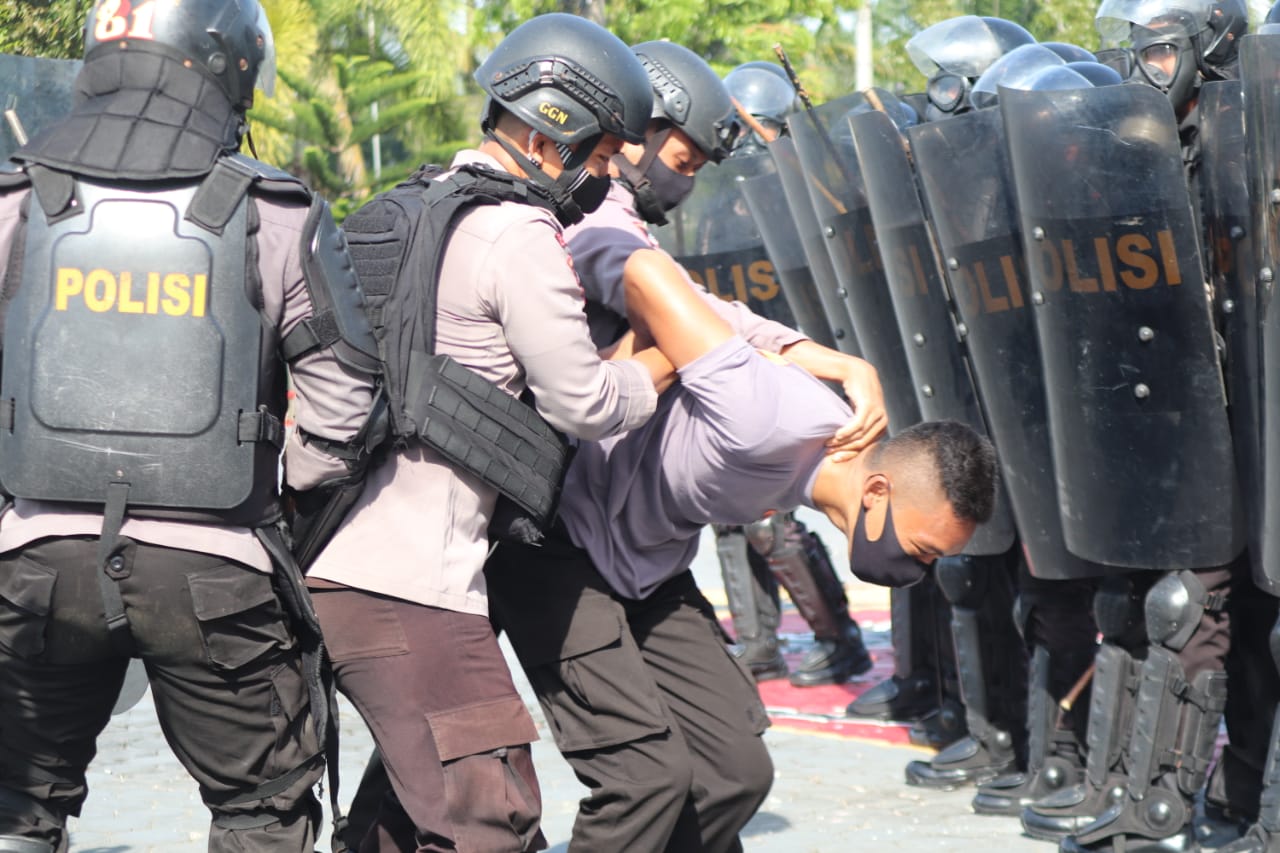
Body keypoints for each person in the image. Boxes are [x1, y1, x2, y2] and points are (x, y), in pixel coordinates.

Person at [0, 1, 383, 850]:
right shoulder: (272, 212)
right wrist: (283, 501)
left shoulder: (19, 200)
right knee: (260, 807)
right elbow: (344, 405)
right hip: (216, 566)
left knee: (15, 804)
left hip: (34, 560)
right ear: (226, 61)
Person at [486, 238, 995, 852]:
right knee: (646, 782)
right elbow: (645, 272)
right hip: (559, 545)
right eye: (922, 549)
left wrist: (811, 354)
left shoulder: (807, 461)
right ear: (880, 489)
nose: (918, 568)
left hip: (645, 566)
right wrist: (832, 361)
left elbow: (719, 321)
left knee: (736, 773)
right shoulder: (769, 419)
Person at [303, 13, 671, 853]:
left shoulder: (410, 205)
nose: (606, 174)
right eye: (604, 154)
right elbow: (581, 400)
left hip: (337, 567)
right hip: (418, 589)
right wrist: (651, 369)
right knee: (489, 819)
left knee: (400, 824)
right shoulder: (518, 232)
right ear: (554, 136)